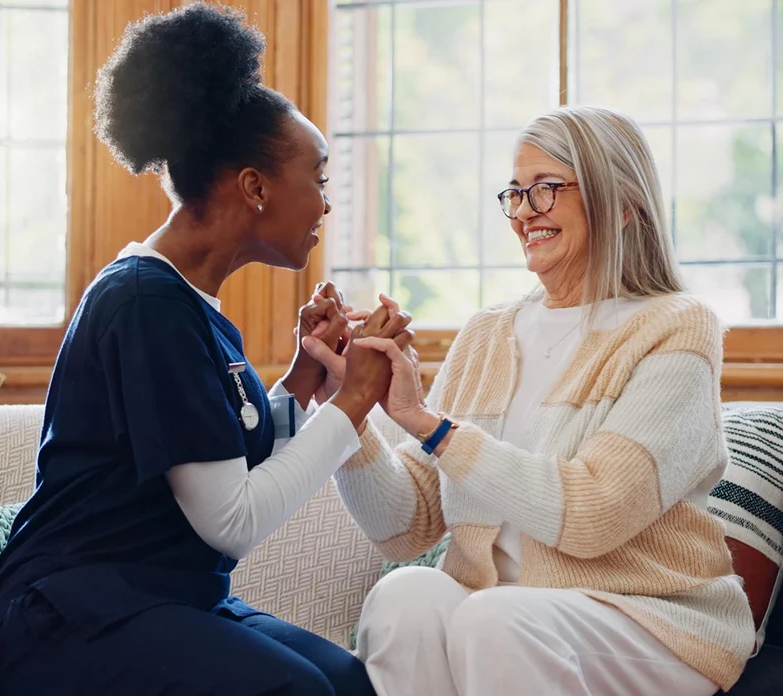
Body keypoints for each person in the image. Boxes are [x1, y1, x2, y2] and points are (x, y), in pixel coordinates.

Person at [0, 4, 405, 695]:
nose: (326, 205)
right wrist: (356, 402)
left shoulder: (189, 306)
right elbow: (231, 521)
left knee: (344, 680)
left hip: (162, 600)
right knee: (295, 691)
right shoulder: (144, 304)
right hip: (72, 615)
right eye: (322, 179)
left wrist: (304, 381)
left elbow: (230, 456)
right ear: (254, 187)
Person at [302, 105, 756, 696]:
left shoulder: (675, 328)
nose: (523, 214)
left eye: (544, 190)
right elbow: (404, 529)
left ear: (621, 205)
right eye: (515, 194)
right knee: (404, 595)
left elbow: (596, 514)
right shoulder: (487, 335)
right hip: (501, 610)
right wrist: (351, 407)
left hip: (650, 617)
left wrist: (427, 423)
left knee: (497, 619)